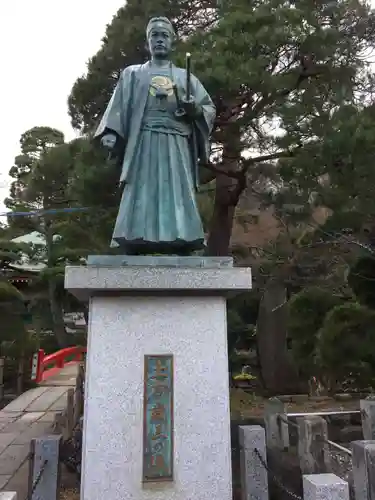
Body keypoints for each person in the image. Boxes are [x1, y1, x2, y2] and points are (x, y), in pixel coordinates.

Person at [94, 16, 216, 255]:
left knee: (178, 190)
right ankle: (133, 238)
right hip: (143, 141)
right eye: (155, 36)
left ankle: (185, 238)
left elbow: (208, 108)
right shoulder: (133, 74)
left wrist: (196, 110)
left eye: (164, 36)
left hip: (176, 142)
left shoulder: (186, 77)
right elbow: (118, 106)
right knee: (141, 188)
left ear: (173, 42)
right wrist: (111, 133)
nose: (159, 40)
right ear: (147, 41)